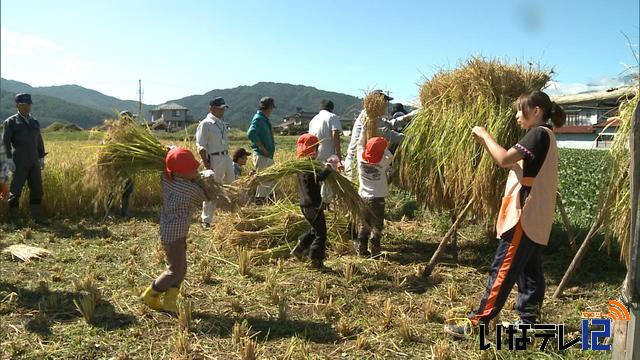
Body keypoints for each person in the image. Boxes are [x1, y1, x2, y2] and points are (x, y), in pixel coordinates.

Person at [444, 90, 565, 337]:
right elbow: (511, 162)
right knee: (530, 271)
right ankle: (528, 321)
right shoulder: (546, 137)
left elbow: (504, 159)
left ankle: (477, 323)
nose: (518, 116)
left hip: (525, 214)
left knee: (503, 269)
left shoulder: (538, 134)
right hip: (536, 216)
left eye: (521, 110)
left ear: (537, 112)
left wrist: (485, 135)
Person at [140, 147, 208, 314]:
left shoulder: (167, 178)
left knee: (181, 267)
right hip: (175, 235)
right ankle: (150, 294)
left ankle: (170, 301)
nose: (196, 169)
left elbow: (167, 168)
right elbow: (206, 196)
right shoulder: (189, 189)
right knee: (175, 269)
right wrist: (207, 180)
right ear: (182, 174)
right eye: (193, 169)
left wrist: (171, 154)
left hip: (170, 231)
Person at [344, 90, 416, 177]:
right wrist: (410, 139)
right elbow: (385, 132)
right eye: (385, 102)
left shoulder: (375, 115)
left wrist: (409, 116)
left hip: (365, 161)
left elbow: (389, 124)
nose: (386, 105)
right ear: (378, 103)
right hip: (356, 163)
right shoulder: (369, 117)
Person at [2, 93, 47, 228]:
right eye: (23, 105)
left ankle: (36, 218)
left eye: (28, 104)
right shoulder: (10, 122)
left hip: (34, 161)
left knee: (37, 190)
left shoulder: (34, 122)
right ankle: (15, 220)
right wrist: (9, 159)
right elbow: (5, 142)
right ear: (17, 105)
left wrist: (41, 157)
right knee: (15, 191)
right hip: (19, 161)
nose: (26, 107)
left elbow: (39, 140)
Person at [290, 133, 334, 271]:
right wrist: (328, 170)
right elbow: (318, 178)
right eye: (316, 148)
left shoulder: (301, 165)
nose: (317, 151)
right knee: (321, 233)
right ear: (312, 149)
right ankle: (316, 261)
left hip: (306, 204)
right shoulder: (308, 166)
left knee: (316, 229)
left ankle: (299, 248)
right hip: (312, 205)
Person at [196, 97, 235, 228]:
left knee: (232, 186)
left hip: (226, 157)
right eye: (220, 108)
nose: (223, 110)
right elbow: (201, 145)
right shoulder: (206, 124)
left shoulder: (221, 123)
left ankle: (233, 215)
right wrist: (207, 165)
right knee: (211, 189)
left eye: (224, 108)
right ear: (212, 108)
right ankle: (206, 220)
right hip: (214, 159)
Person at [355, 136, 393, 258]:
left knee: (364, 224)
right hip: (377, 199)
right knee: (377, 225)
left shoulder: (360, 158)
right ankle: (375, 251)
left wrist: (365, 132)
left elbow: (359, 145)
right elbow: (389, 154)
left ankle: (362, 249)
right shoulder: (383, 161)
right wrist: (384, 147)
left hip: (362, 197)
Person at [308, 99, 342, 203]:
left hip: (315, 152)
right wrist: (339, 155)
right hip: (328, 153)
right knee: (328, 180)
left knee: (318, 179)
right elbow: (335, 134)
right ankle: (326, 203)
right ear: (332, 109)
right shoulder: (332, 117)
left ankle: (319, 201)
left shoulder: (313, 119)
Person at [247, 97, 276, 204]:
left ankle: (268, 205)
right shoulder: (258, 118)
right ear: (268, 108)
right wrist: (262, 147)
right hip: (262, 155)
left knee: (269, 181)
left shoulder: (263, 118)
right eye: (272, 108)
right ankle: (260, 206)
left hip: (267, 156)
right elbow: (251, 133)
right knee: (263, 182)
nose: (272, 111)